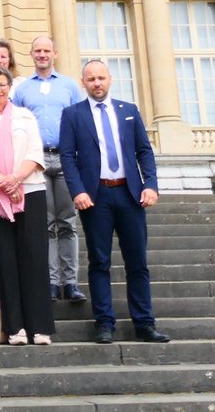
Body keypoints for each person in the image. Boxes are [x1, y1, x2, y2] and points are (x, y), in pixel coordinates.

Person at [60, 60, 170, 345]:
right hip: (95, 198)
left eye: (101, 78)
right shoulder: (72, 115)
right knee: (99, 262)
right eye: (91, 79)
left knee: (137, 262)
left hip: (130, 195)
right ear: (83, 82)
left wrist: (151, 185)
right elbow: (68, 157)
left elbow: (144, 151)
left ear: (110, 80)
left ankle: (144, 323)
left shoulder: (129, 111)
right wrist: (77, 191)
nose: (97, 83)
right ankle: (104, 322)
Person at [0, 65, 54, 346]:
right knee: (5, 259)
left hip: (29, 189)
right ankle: (15, 328)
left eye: (2, 84)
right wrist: (3, 182)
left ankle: (39, 327)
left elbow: (34, 151)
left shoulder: (25, 116)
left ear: (9, 87)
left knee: (34, 257)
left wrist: (15, 179)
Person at [12, 36, 87, 303]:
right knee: (44, 224)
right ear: (31, 54)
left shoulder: (68, 86)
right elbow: (15, 126)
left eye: (46, 50)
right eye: (37, 51)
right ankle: (52, 282)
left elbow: (81, 121)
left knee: (67, 222)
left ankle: (71, 282)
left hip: (66, 158)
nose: (42, 55)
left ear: (54, 53)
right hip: (36, 160)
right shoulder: (21, 90)